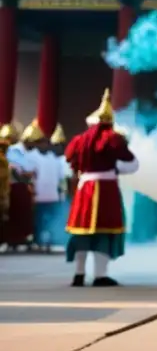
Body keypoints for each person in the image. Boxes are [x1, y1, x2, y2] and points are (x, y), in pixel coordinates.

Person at [64, 90, 140, 286]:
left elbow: (69, 162)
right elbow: (132, 163)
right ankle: (100, 275)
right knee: (103, 232)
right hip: (106, 189)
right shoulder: (112, 138)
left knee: (81, 232)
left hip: (84, 188)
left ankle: (78, 274)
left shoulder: (79, 140)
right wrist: (115, 169)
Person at [26, 128, 65, 252]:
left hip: (52, 194)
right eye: (42, 143)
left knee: (51, 219)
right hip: (37, 194)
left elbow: (60, 178)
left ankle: (48, 241)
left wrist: (60, 191)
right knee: (38, 219)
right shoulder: (31, 157)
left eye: (46, 143)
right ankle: (37, 241)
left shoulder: (54, 159)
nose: (45, 145)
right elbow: (27, 175)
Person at [5, 121, 37, 250]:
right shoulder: (14, 150)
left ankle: (22, 237)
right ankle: (12, 239)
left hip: (25, 186)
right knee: (15, 212)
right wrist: (25, 176)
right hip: (15, 185)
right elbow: (13, 169)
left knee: (25, 214)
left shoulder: (29, 152)